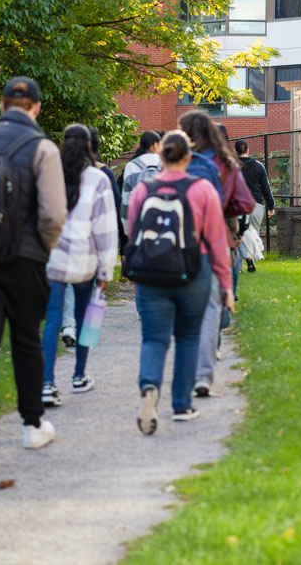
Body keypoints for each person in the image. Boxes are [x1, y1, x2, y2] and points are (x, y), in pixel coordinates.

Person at [0, 76, 66, 449]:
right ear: (36, 108)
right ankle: (32, 425)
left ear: (2, 105)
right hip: (26, 259)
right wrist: (46, 249)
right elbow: (53, 215)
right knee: (26, 341)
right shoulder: (43, 148)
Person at [127, 131, 233, 433]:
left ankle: (149, 387)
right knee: (188, 337)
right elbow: (216, 242)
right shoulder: (202, 190)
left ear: (160, 156)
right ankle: (182, 404)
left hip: (152, 272)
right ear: (188, 156)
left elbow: (135, 232)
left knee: (153, 339)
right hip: (192, 269)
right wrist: (225, 285)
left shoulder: (143, 189)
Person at [177, 111, 254, 399]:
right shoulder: (225, 162)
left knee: (183, 308)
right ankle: (204, 375)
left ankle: (181, 374)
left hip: (181, 237)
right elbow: (246, 203)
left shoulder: (181, 158)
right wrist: (221, 210)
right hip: (216, 235)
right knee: (210, 307)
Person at [42, 124, 117, 406]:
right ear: (88, 146)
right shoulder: (97, 178)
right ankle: (78, 375)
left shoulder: (48, 174)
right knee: (87, 317)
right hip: (85, 259)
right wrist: (106, 268)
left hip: (52, 258)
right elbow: (105, 229)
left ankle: (47, 383)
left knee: (52, 320)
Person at [58, 126, 121, 347]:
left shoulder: (53, 172)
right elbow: (110, 216)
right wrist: (107, 267)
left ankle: (68, 325)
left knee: (63, 290)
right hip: (88, 249)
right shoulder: (101, 175)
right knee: (86, 298)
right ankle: (79, 371)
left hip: (57, 249)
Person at [235, 139, 275, 272]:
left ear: (236, 152)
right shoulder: (258, 166)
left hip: (237, 205)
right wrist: (270, 206)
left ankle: (238, 266)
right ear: (247, 150)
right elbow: (266, 187)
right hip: (255, 205)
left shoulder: (232, 166)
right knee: (252, 233)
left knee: (236, 234)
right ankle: (250, 258)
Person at [120, 130, 162, 233]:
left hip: (138, 223)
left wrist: (127, 228)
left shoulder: (131, 165)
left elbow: (126, 197)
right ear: (155, 145)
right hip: (160, 221)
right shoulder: (164, 163)